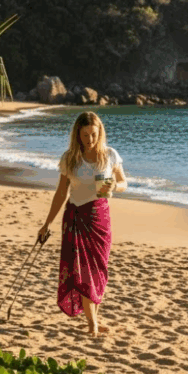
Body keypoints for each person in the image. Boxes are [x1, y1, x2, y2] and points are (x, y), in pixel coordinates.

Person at [39, 111, 127, 337]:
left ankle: (94, 317)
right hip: (76, 217)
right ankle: (92, 323)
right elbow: (61, 193)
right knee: (83, 271)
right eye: (85, 135)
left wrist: (114, 188)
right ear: (77, 135)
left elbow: (124, 182)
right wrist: (47, 223)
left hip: (100, 218)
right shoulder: (70, 158)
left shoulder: (110, 155)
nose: (90, 139)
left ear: (100, 133)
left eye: (93, 134)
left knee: (99, 270)